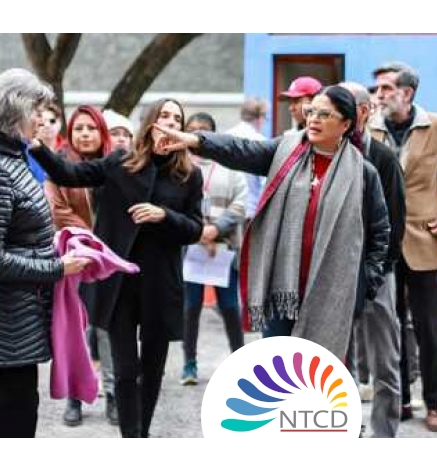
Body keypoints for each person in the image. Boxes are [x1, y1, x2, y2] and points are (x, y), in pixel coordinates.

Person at [151, 85, 390, 362]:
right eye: (311, 111)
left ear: (346, 124)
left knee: (319, 375)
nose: (313, 119)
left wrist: (365, 284)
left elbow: (380, 232)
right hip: (282, 289)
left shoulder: (363, 173)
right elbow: (240, 149)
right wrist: (196, 140)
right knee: (277, 372)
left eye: (324, 114)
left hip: (332, 295)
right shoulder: (286, 151)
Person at [29, 98, 204, 438]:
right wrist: (37, 146)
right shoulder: (119, 162)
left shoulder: (188, 175)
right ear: (150, 123)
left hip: (160, 284)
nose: (170, 122)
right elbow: (69, 174)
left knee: (152, 369)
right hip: (118, 283)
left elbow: (195, 228)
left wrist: (164, 215)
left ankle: (141, 434)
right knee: (125, 370)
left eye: (176, 118)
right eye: (164, 115)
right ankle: (130, 438)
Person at [0, 69, 91, 437]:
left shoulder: (9, 155)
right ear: (14, 111)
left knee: (18, 403)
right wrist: (57, 267)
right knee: (9, 408)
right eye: (36, 111)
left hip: (18, 309)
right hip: (4, 313)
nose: (42, 121)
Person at [368, 61, 437, 432]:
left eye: (385, 88)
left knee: (430, 330)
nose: (379, 95)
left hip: (425, 239)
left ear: (407, 93)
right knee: (388, 327)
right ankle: (399, 400)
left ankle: (434, 403)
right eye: (376, 89)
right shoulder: (369, 127)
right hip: (382, 243)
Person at [42, 105, 117, 427]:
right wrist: (94, 239)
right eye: (78, 128)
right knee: (76, 328)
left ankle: (113, 394)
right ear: (70, 134)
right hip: (76, 259)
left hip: (111, 261)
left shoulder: (117, 165)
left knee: (108, 330)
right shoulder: (59, 167)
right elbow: (57, 210)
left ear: (102, 131)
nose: (85, 134)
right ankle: (74, 397)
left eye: (91, 127)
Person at [340, 81, 406, 438]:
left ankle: (384, 434)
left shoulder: (383, 158)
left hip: (377, 273)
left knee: (385, 360)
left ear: (363, 112)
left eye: (342, 105)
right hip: (334, 272)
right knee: (336, 358)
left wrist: (376, 273)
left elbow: (395, 224)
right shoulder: (326, 153)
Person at [179, 112, 247, 385]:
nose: (197, 133)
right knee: (191, 307)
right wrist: (198, 231)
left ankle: (240, 362)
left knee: (230, 307)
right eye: (192, 129)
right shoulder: (180, 164)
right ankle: (189, 364)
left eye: (204, 129)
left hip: (224, 248)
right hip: (191, 248)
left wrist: (215, 229)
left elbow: (241, 203)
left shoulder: (230, 165)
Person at [225, 97, 268, 220]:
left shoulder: (226, 137)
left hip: (225, 211)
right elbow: (265, 183)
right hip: (250, 212)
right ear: (260, 117)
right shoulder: (261, 141)